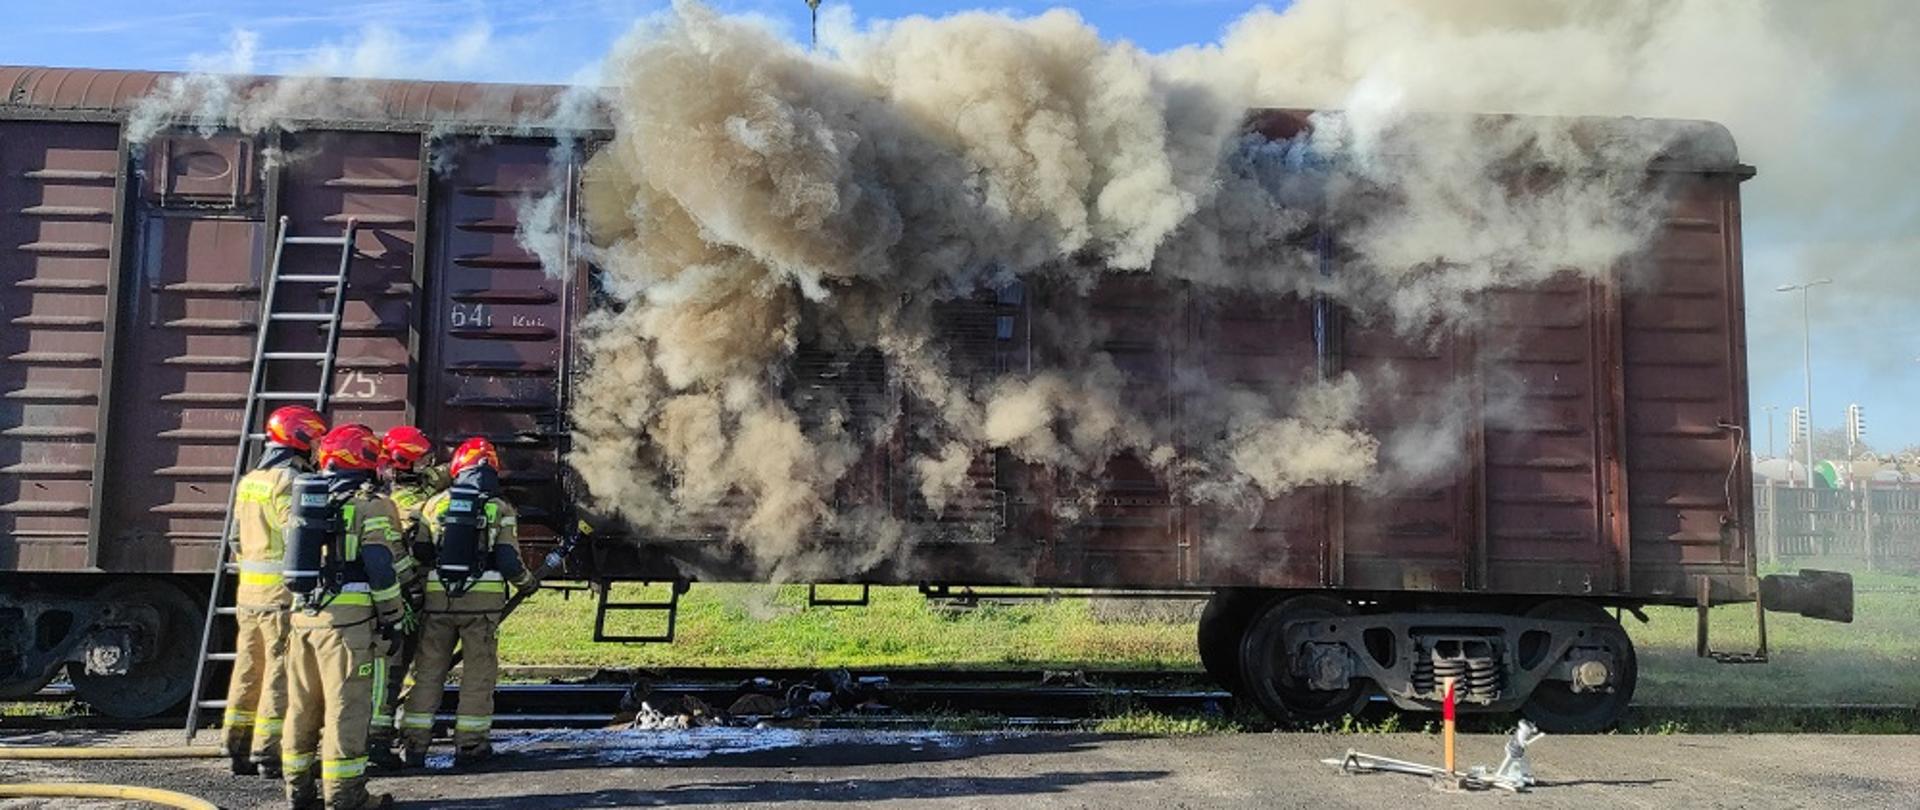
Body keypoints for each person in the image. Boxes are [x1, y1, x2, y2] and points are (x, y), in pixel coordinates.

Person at [280, 425, 409, 810]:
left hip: (303, 618)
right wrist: (393, 616)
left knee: (301, 706)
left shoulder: (305, 499)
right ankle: (345, 796)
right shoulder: (372, 505)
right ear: (365, 462)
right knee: (346, 708)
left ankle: (298, 792)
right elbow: (381, 567)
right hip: (347, 626)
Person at [398, 437, 536, 768]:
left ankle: (413, 746)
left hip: (438, 602)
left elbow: (422, 552)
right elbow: (508, 560)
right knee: (478, 675)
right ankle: (471, 746)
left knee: (428, 672)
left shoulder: (435, 504)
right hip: (482, 607)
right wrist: (527, 583)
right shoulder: (499, 508)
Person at [223, 405, 328, 778]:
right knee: (280, 672)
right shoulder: (287, 481)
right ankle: (269, 753)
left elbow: (236, 539)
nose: (317, 449)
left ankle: (236, 745)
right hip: (280, 598)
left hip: (248, 595)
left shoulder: (251, 479)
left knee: (248, 668)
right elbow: (296, 535)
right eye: (314, 441)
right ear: (299, 440)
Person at [366, 425, 445, 766]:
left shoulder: (397, 491)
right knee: (391, 670)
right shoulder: (406, 507)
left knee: (401, 667)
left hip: (405, 593)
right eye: (423, 459)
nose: (430, 464)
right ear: (407, 466)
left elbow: (438, 477)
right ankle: (377, 741)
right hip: (403, 597)